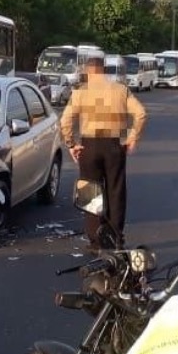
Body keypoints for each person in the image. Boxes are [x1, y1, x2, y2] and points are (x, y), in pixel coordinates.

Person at [60, 57, 147, 252]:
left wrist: (72, 144)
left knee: (90, 192)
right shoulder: (120, 90)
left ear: (88, 72)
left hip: (89, 146)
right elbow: (140, 113)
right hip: (114, 145)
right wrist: (132, 137)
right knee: (116, 191)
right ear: (103, 70)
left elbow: (65, 120)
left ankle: (94, 240)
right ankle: (115, 238)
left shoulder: (81, 93)